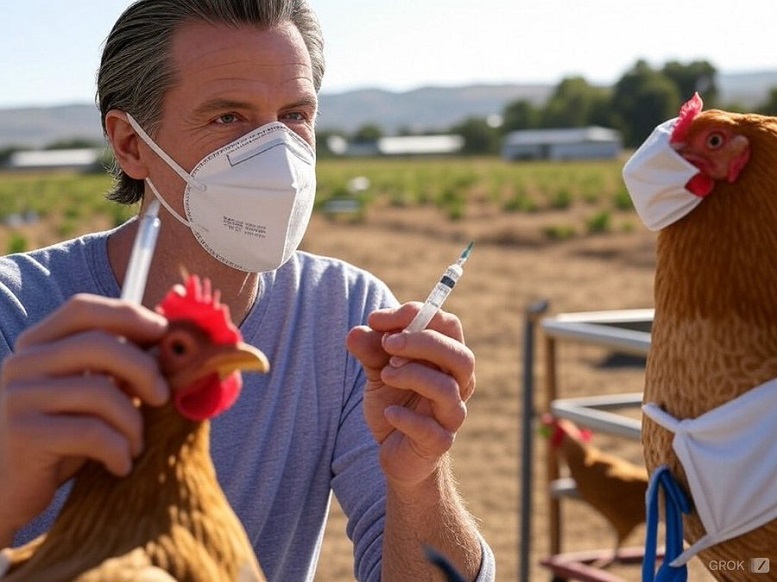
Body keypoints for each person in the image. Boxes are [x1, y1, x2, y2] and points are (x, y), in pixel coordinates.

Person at [0, 1, 495, 580]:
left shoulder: (350, 315)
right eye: (228, 117)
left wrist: (420, 476)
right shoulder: (16, 315)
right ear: (131, 145)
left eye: (294, 116)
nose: (276, 154)